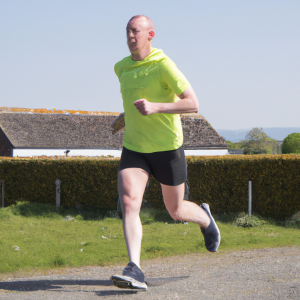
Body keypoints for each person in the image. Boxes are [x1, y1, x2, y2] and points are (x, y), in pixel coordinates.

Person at [111, 15, 220, 291]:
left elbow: (193, 103)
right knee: (129, 201)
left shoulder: (164, 65)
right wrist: (127, 115)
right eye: (127, 32)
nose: (130, 36)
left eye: (135, 31)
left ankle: (205, 218)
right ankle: (134, 268)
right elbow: (136, 97)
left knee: (175, 210)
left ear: (151, 35)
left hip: (167, 149)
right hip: (135, 149)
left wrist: (155, 107)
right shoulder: (121, 68)